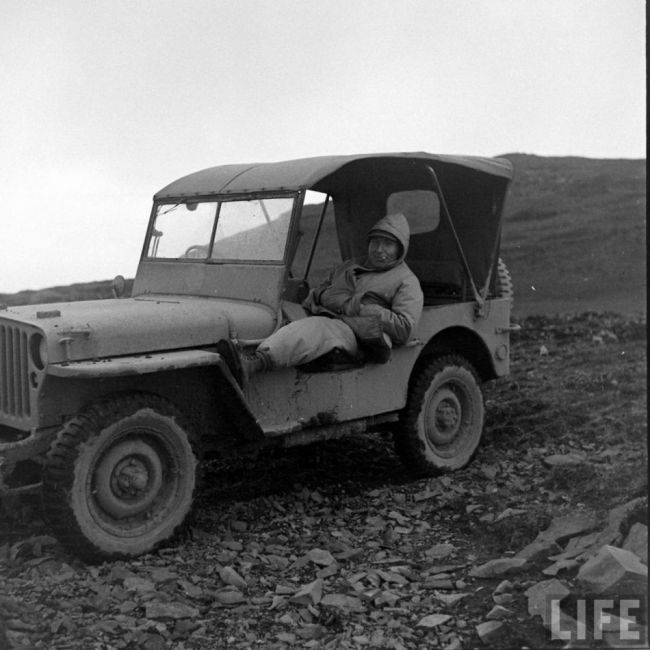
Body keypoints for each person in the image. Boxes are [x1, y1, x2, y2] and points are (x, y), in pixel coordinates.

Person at [244, 212, 424, 374]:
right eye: (375, 242)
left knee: (320, 327)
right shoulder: (349, 266)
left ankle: (260, 361)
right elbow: (319, 291)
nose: (379, 249)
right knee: (279, 311)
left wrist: (361, 308)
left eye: (388, 244)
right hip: (326, 315)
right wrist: (323, 297)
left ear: (400, 249)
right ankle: (241, 349)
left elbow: (405, 328)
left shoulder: (406, 281)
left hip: (362, 333)